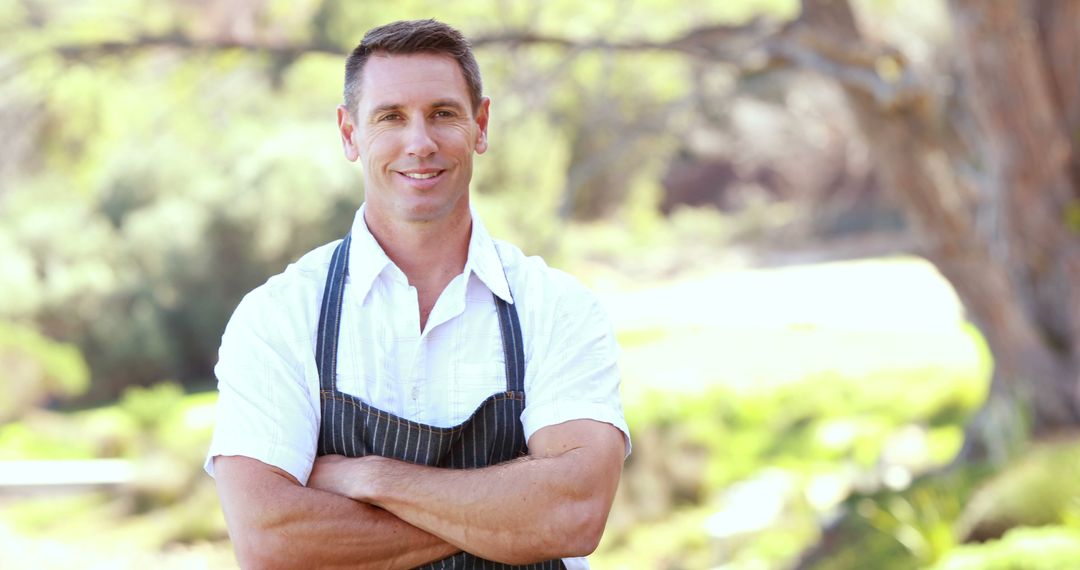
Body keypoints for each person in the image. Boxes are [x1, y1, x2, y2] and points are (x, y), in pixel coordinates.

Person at [205, 18, 630, 569]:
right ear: (349, 134)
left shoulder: (558, 308)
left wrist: (370, 478)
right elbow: (270, 541)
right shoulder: (279, 317)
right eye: (390, 118)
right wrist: (509, 516)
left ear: (480, 125)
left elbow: (572, 515)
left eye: (443, 114)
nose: (420, 143)